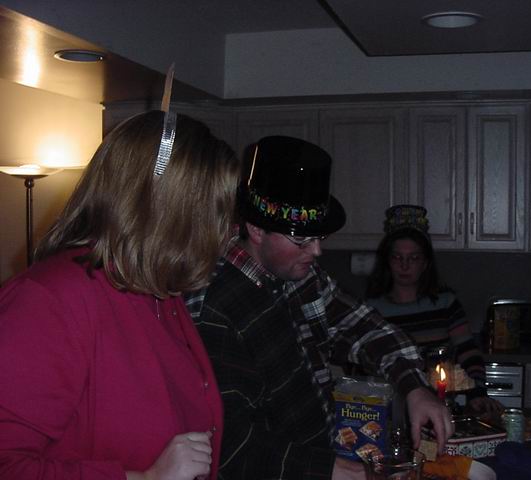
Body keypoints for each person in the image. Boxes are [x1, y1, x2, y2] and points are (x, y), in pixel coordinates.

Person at [185, 136, 453, 480]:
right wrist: (336, 471)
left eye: (319, 238)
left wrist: (415, 388)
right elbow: (234, 442)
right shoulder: (215, 306)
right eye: (301, 240)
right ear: (256, 229)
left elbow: (365, 329)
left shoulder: (300, 277)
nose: (316, 251)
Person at [0, 110, 240, 480]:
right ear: (167, 213)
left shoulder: (156, 291)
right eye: (216, 212)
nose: (228, 231)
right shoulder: (48, 301)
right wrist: (142, 478)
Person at [365, 204, 502, 414]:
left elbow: (468, 352)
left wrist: (478, 393)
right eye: (397, 257)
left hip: (440, 406)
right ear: (387, 262)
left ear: (425, 263)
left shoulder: (446, 303)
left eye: (414, 258)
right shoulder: (371, 310)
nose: (404, 265)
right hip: (391, 409)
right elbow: (363, 364)